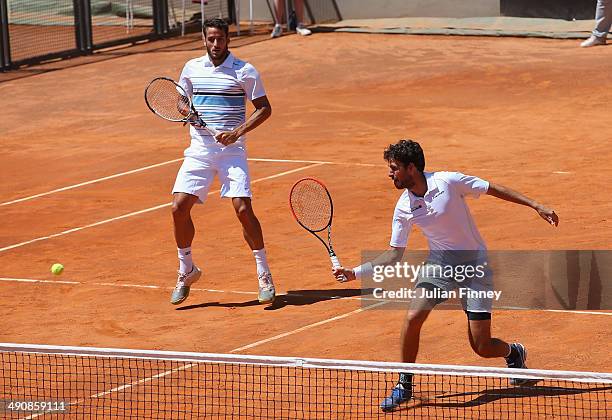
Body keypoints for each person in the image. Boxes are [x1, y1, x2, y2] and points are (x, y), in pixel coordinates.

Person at [332, 139, 559, 412]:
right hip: (439, 265)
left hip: (475, 266)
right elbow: (394, 255)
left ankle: (513, 353)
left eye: (394, 168)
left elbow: (491, 188)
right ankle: (404, 384)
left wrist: (536, 205)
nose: (390, 173)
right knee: (413, 316)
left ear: (411, 168)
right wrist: (354, 273)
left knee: (482, 346)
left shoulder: (448, 181)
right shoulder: (403, 208)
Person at [170, 18, 275, 306]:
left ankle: (264, 273)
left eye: (221, 39)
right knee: (179, 207)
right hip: (199, 149)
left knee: (243, 209)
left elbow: (264, 109)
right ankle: (186, 269)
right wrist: (186, 111)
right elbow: (181, 101)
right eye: (211, 39)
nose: (216, 45)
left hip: (233, 151)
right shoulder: (191, 68)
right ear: (204, 39)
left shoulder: (245, 71)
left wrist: (237, 132)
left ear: (228, 39)